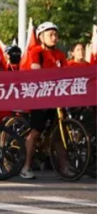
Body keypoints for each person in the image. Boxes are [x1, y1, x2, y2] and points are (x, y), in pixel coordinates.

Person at [21, 22, 67, 180]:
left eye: (55, 34)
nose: (54, 38)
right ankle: (26, 167)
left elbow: (68, 73)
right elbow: (36, 71)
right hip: (40, 98)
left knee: (58, 133)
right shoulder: (36, 52)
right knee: (35, 133)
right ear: (41, 37)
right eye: (50, 35)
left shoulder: (60, 55)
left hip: (57, 97)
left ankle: (64, 167)